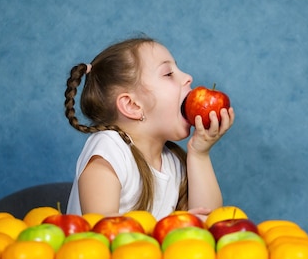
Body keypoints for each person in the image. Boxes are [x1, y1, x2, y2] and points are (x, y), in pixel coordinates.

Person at [64, 36, 235, 220]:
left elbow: (208, 222)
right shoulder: (108, 149)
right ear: (132, 105)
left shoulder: (172, 162)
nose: (188, 77)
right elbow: (103, 230)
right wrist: (170, 225)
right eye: (168, 74)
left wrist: (199, 154)